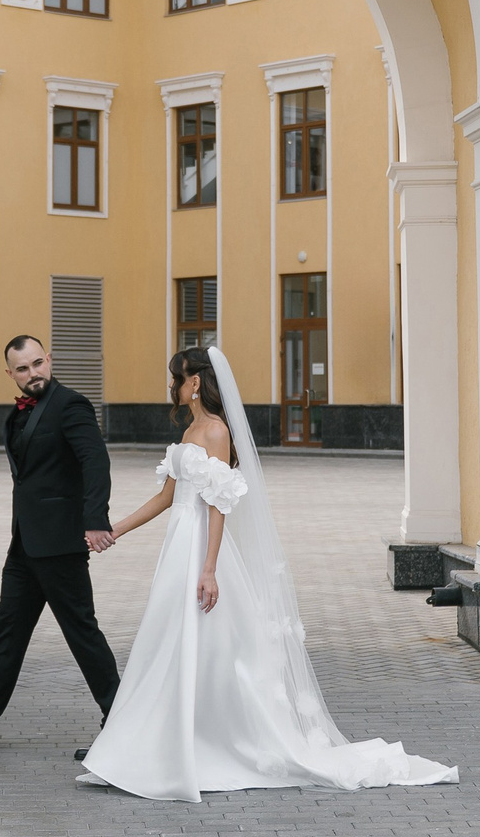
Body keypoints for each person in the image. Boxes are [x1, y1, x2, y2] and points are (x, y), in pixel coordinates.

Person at [76, 344, 459, 802]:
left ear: (195, 382)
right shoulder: (191, 429)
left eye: (175, 377)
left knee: (203, 643)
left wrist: (210, 568)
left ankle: (200, 743)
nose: (171, 386)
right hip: (177, 546)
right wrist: (113, 530)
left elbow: (218, 504)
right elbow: (165, 498)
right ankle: (159, 742)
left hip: (199, 546)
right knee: (167, 640)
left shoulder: (216, 431)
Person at [0, 335, 120, 754]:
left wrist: (95, 519)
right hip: (25, 545)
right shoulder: (20, 413)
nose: (33, 374)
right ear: (10, 374)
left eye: (37, 364)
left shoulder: (71, 405)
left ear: (49, 359)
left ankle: (123, 723)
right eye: (23, 369)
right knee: (8, 633)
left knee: (82, 634)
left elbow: (95, 460)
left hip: (61, 544)